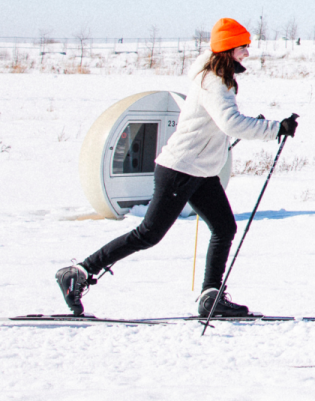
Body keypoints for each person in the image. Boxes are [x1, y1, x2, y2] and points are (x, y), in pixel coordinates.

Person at [54, 18, 300, 318]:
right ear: (229, 48)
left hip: (201, 172)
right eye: (243, 46)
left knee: (224, 228)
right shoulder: (214, 81)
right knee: (149, 234)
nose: (247, 52)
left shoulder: (214, 76)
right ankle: (78, 272)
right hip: (181, 170)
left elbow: (219, 122)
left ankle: (212, 297)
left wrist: (258, 124)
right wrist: (275, 128)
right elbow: (230, 123)